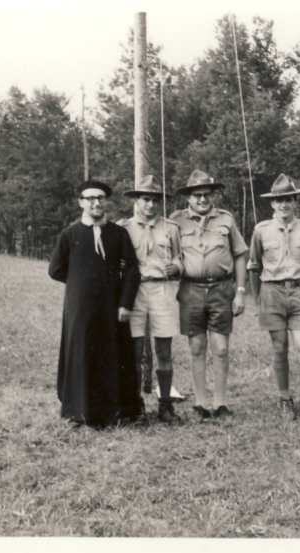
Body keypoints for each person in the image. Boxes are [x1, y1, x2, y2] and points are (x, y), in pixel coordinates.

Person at [48, 180, 141, 428]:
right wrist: (81, 281)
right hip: (80, 308)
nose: (96, 203)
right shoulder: (69, 234)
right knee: (81, 354)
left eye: (100, 198)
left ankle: (117, 413)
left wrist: (125, 303)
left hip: (113, 307)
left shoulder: (118, 233)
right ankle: (79, 412)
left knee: (114, 354)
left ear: (105, 202)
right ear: (81, 202)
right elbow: (55, 270)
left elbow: (132, 269)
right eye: (90, 198)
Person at [170, 170, 249, 420]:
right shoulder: (176, 221)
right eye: (197, 195)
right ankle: (201, 404)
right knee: (196, 347)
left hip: (221, 289)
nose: (202, 200)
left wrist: (240, 292)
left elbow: (240, 254)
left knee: (221, 348)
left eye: (206, 194)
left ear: (212, 195)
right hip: (190, 289)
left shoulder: (226, 219)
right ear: (189, 198)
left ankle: (221, 402)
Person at [248, 174, 300, 422]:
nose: (284, 205)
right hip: (272, 293)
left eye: (288, 199)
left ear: (295, 201)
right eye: (279, 200)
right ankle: (285, 399)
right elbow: (254, 266)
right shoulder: (261, 230)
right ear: (272, 203)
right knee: (279, 349)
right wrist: (258, 298)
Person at [121, 175, 184, 423]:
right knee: (134, 352)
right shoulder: (124, 227)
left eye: (155, 200)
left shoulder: (170, 227)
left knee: (164, 351)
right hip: (135, 293)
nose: (151, 205)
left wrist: (177, 267)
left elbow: (180, 257)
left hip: (162, 290)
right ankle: (135, 406)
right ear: (136, 200)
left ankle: (165, 405)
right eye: (146, 199)